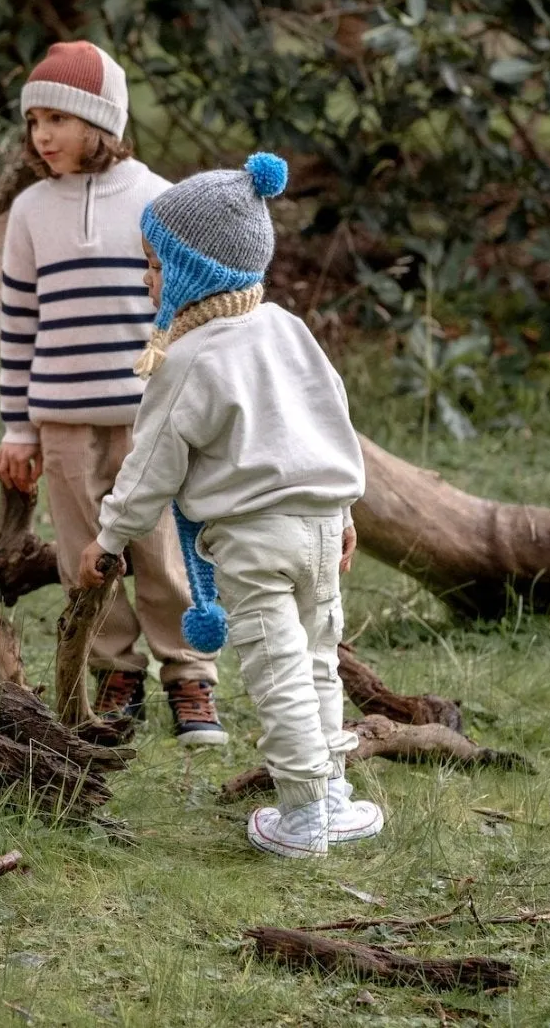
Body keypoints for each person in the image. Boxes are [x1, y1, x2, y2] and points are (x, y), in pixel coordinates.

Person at [78, 152, 382, 858]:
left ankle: (305, 814)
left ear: (192, 271)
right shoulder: (288, 328)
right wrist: (346, 511)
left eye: (156, 264)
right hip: (320, 525)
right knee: (316, 658)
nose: (149, 278)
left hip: (253, 539)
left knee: (277, 668)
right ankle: (330, 789)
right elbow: (333, 417)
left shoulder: (188, 361)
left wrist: (110, 537)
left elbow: (149, 466)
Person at [0, 41, 224, 744]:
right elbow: (17, 322)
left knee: (158, 546)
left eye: (59, 119)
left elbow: (184, 310)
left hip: (145, 414)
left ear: (104, 123)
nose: (43, 136)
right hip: (60, 415)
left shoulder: (158, 198)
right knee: (83, 553)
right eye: (35, 122)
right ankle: (112, 671)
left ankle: (188, 675)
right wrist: (17, 427)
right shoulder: (30, 210)